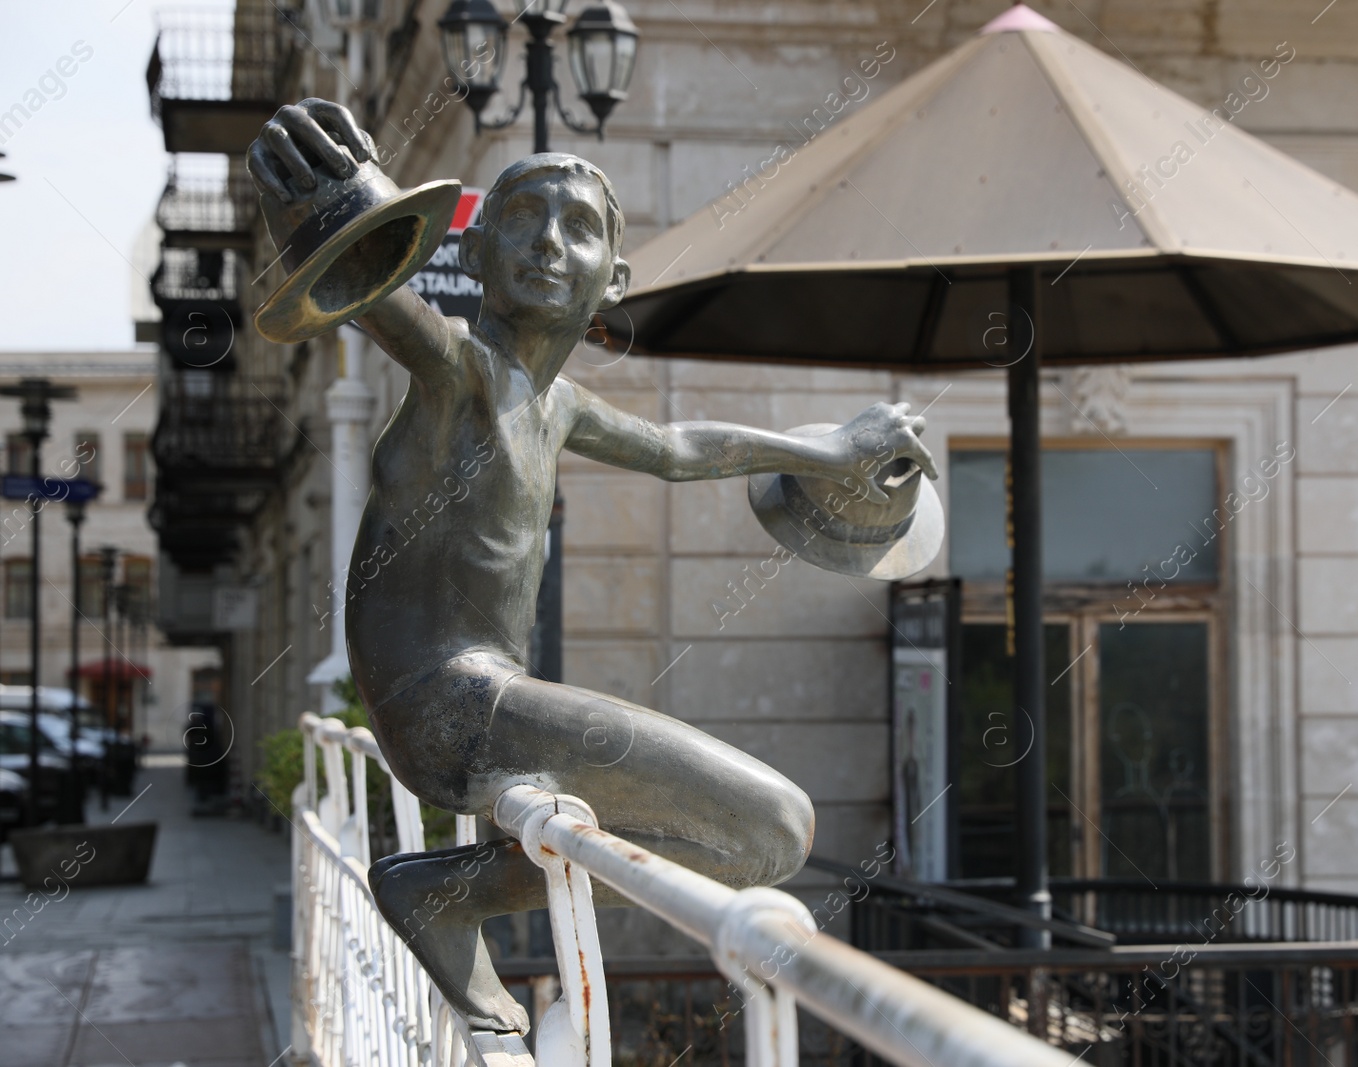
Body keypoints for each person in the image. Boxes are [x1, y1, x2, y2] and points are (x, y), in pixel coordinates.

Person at [247, 99, 937, 1032]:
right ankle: (449, 894)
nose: (546, 244)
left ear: (610, 282)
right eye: (521, 220)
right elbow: (381, 303)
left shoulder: (556, 403)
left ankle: (448, 891)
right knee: (772, 828)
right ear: (475, 254)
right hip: (449, 705)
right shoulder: (460, 372)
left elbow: (679, 444)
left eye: (576, 228)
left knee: (761, 839)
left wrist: (828, 453)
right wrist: (334, 211)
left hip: (475, 706)